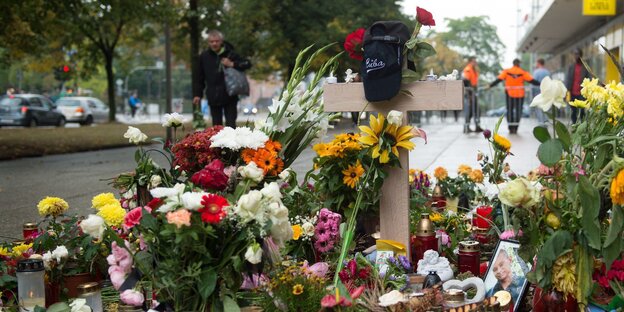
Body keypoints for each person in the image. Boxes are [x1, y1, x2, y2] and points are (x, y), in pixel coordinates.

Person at [193, 30, 251, 127]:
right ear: (208, 43)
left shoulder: (231, 54)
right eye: (211, 41)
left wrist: (232, 64)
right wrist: (197, 94)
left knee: (231, 125)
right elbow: (199, 77)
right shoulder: (204, 56)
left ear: (221, 41)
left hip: (230, 95)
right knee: (216, 127)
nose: (214, 43)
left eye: (217, 41)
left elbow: (247, 64)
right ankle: (219, 143)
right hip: (213, 96)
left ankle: (232, 142)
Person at [488, 59, 540, 134]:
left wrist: (490, 85)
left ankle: (510, 127)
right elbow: (532, 80)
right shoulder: (522, 72)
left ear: (513, 63)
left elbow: (499, 79)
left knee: (509, 111)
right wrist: (541, 84)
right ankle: (516, 128)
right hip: (520, 95)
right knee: (518, 111)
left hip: (509, 94)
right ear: (519, 64)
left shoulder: (507, 71)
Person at [565, 49, 591, 123]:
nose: (576, 56)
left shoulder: (585, 67)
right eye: (575, 54)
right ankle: (574, 126)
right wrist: (567, 91)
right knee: (573, 112)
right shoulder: (571, 67)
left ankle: (582, 126)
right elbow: (567, 79)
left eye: (578, 54)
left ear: (581, 55)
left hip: (582, 93)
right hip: (572, 92)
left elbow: (589, 78)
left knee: (582, 111)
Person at [462, 56, 483, 133]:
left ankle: (476, 126)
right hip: (469, 92)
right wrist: (470, 93)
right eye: (473, 61)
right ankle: (466, 127)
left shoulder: (474, 70)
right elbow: (465, 80)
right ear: (470, 62)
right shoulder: (468, 69)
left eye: (475, 61)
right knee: (470, 111)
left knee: (476, 110)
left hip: (473, 91)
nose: (475, 63)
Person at [531, 58, 551, 126]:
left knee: (539, 109)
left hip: (538, 93)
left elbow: (533, 83)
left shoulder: (536, 72)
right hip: (547, 93)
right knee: (546, 108)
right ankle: (546, 122)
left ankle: (541, 123)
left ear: (539, 63)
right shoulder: (548, 72)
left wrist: (532, 95)